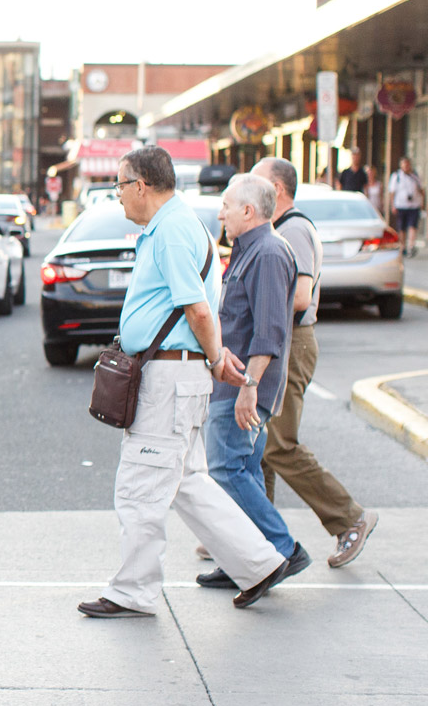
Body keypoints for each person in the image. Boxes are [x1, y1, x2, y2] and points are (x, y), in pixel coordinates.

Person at [79, 147, 289, 618]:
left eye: (119, 185)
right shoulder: (172, 226)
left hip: (169, 377)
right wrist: (212, 357)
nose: (117, 196)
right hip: (177, 372)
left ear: (142, 185)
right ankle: (259, 564)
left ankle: (133, 591)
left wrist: (215, 359)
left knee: (141, 487)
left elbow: (195, 309)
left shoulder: (171, 231)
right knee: (186, 482)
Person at [245, 158, 379, 568]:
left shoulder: (295, 229)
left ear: (277, 191)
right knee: (261, 444)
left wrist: (261, 316)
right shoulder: (279, 229)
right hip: (281, 340)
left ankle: (350, 518)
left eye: (256, 181)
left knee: (280, 445)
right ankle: (255, 537)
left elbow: (300, 297)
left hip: (292, 341)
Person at [194, 173, 310, 590]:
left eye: (226, 205)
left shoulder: (268, 253)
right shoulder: (247, 250)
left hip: (243, 386)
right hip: (234, 383)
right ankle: (248, 559)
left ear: (248, 210)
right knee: (244, 469)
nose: (220, 213)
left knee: (227, 469)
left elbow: (270, 331)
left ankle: (280, 549)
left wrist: (249, 388)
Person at [387, 156, 422, 256]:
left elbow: (421, 190)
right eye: (404, 164)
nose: (406, 166)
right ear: (401, 165)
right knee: (401, 228)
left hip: (414, 205)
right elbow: (392, 192)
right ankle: (403, 246)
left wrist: (422, 203)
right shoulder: (396, 176)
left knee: (412, 226)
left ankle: (411, 246)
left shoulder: (415, 176)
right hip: (401, 205)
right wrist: (392, 205)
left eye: (408, 164)